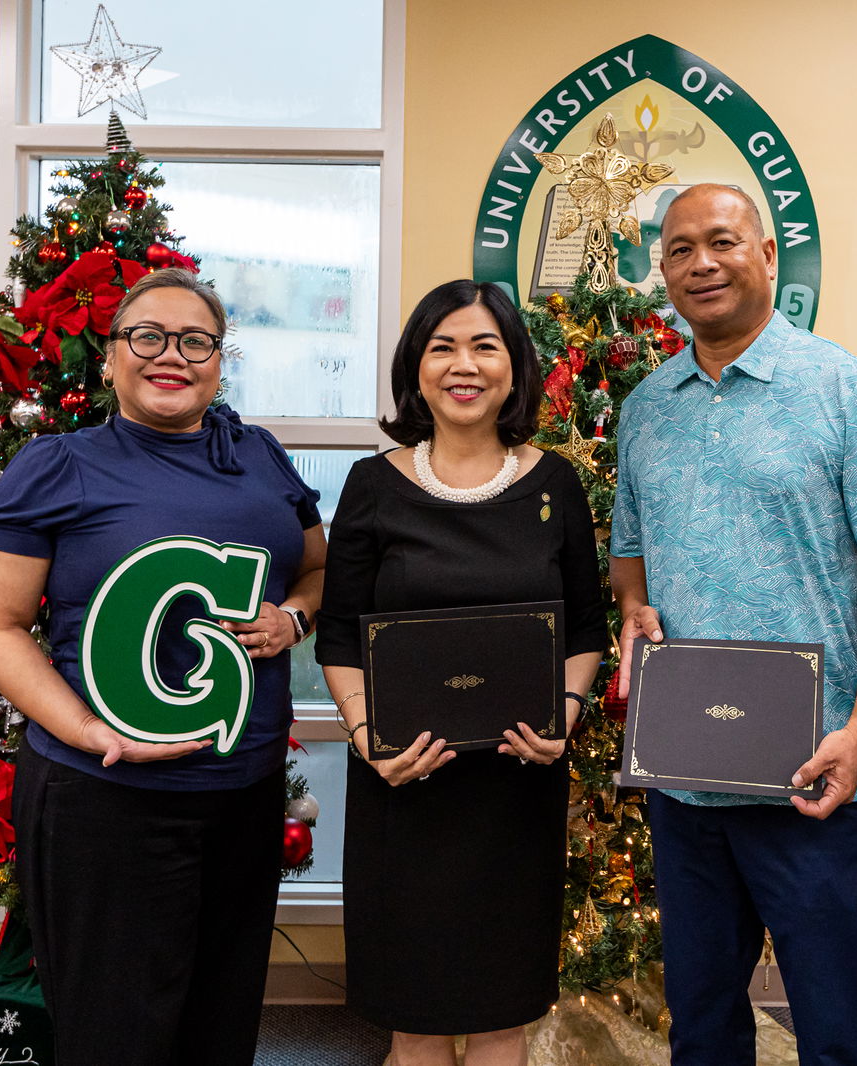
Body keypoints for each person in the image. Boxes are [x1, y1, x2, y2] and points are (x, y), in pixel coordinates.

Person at [0, 267, 327, 1066]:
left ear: (219, 360)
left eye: (196, 340)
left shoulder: (258, 456)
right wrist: (92, 730)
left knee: (222, 1021)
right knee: (114, 1033)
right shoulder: (57, 464)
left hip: (244, 793)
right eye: (148, 336)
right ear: (110, 356)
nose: (173, 355)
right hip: (106, 798)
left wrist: (292, 616)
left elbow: (316, 571)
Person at [610, 183, 857, 1065]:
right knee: (704, 1024)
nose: (700, 263)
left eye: (721, 241)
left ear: (767, 256)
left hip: (817, 777)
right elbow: (630, 554)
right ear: (664, 272)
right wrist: (634, 605)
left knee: (837, 1031)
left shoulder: (847, 391)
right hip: (688, 780)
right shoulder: (647, 409)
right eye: (679, 250)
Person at [315, 279, 606, 1066]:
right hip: (403, 788)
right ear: (416, 367)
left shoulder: (555, 486)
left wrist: (564, 719)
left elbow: (585, 629)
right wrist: (369, 736)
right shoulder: (373, 486)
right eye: (442, 347)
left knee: (501, 1016)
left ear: (514, 367)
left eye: (484, 345)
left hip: (515, 788)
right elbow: (339, 636)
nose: (463, 365)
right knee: (415, 1021)